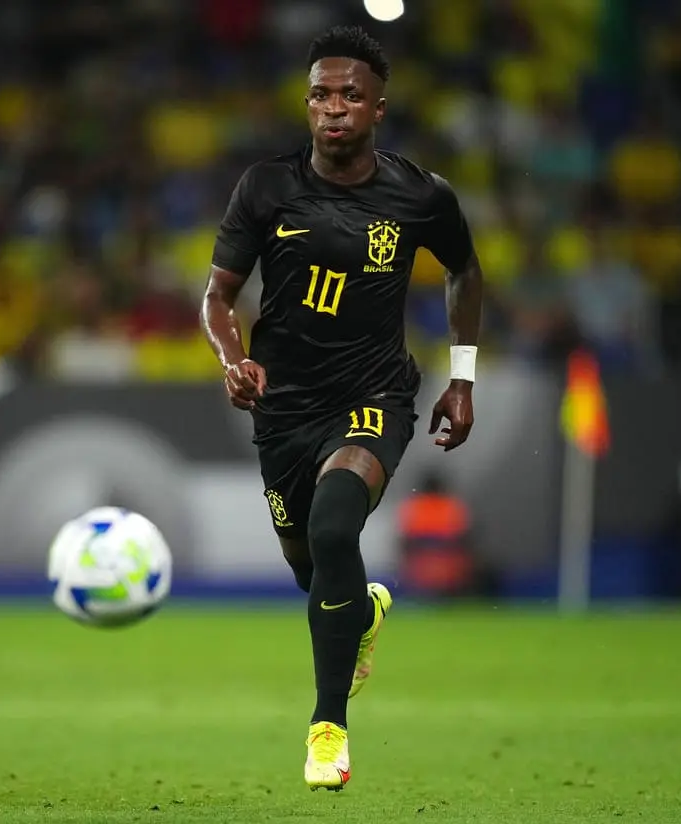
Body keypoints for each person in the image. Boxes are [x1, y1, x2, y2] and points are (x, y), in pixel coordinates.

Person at [199, 25, 483, 791]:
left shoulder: (420, 195)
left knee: (333, 526)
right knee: (311, 567)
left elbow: (465, 271)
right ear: (306, 104)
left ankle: (327, 731)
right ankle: (360, 614)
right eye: (320, 95)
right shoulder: (265, 187)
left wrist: (460, 377)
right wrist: (233, 360)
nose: (333, 109)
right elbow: (218, 294)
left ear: (377, 108)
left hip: (373, 395)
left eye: (349, 96)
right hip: (282, 410)